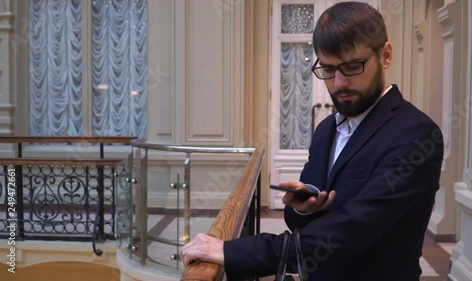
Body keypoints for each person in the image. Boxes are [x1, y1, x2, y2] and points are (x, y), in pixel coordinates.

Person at [180, 2, 444, 280]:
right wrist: (302, 208)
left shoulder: (416, 134)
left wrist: (235, 251)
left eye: (353, 66)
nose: (339, 83)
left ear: (386, 56)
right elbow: (300, 225)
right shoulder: (326, 129)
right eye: (328, 69)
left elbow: (352, 231)